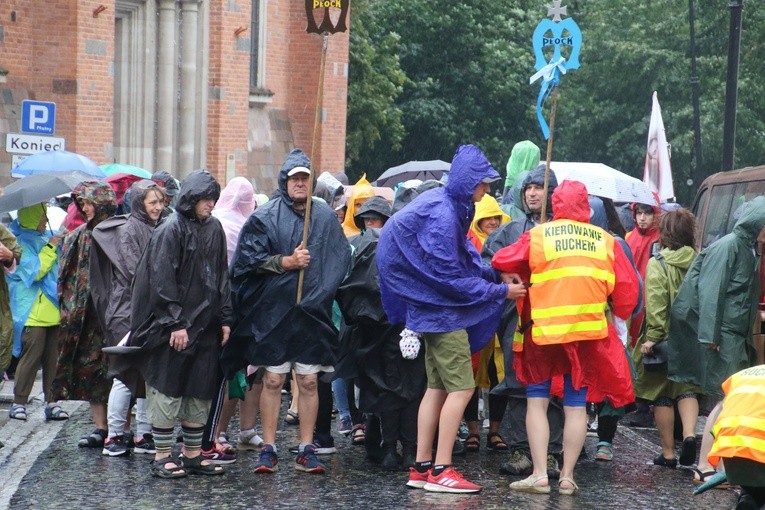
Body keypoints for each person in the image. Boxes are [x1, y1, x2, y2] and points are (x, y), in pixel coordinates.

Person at [377, 144, 526, 494]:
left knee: (436, 388)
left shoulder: (445, 206)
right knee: (461, 388)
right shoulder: (445, 215)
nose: (486, 190)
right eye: (483, 183)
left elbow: (459, 265)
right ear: (467, 181)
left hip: (428, 313)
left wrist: (493, 276)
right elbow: (451, 280)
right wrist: (500, 292)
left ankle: (421, 467)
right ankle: (443, 469)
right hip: (443, 317)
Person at [492, 179, 639, 496]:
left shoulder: (539, 235)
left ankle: (540, 474)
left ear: (555, 204)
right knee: (575, 407)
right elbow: (628, 296)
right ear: (586, 206)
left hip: (542, 337)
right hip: (586, 337)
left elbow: (501, 259)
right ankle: (569, 477)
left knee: (537, 403)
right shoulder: (606, 240)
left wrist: (512, 275)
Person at [223, 149, 351, 475]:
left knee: (308, 381)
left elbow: (339, 262)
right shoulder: (265, 216)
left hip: (311, 315)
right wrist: (286, 263)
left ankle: (307, 447)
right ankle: (269, 447)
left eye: (305, 178)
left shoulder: (323, 218)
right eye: (294, 178)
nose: (299, 183)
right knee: (273, 379)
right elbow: (247, 263)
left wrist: (320, 292)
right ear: (285, 180)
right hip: (273, 314)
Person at [129, 169, 232, 479]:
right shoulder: (170, 229)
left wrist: (225, 317)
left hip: (205, 326)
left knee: (198, 391)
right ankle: (162, 455)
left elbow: (221, 275)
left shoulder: (214, 229)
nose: (211, 205)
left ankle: (192, 454)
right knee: (168, 389)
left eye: (214, 199)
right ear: (192, 198)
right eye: (206, 199)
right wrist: (175, 322)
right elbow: (161, 280)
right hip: (172, 327)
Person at [667, 196, 765, 486]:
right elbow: (711, 292)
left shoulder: (746, 249)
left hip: (733, 337)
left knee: (729, 403)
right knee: (726, 404)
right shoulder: (730, 247)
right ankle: (704, 465)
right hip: (724, 338)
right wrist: (710, 337)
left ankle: (714, 466)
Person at [482, 164, 564, 477]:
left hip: (554, 320)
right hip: (516, 321)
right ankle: (520, 450)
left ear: (552, 193)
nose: (532, 193)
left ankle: (552, 452)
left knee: (553, 387)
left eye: (539, 187)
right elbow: (488, 262)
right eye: (529, 187)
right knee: (518, 384)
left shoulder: (564, 231)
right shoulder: (511, 230)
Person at [336, 196, 426, 471]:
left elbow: (346, 289)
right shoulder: (408, 244)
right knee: (407, 391)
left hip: (379, 330)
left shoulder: (357, 245)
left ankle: (390, 449)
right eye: (367, 220)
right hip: (402, 328)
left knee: (388, 391)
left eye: (374, 220)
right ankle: (404, 450)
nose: (371, 225)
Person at [90, 180, 166, 456]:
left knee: (147, 372)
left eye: (160, 201)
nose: (158, 207)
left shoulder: (155, 226)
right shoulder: (129, 230)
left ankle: (143, 432)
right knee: (124, 373)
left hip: (147, 311)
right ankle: (115, 435)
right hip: (126, 312)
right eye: (152, 202)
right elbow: (136, 271)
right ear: (139, 204)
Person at [631, 208, 700, 468]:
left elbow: (657, 305)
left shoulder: (657, 263)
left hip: (665, 340)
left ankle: (669, 453)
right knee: (687, 388)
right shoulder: (699, 260)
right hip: (692, 337)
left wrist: (653, 338)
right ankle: (691, 435)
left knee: (660, 393)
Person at [51, 180, 117, 448]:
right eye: (83, 203)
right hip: (85, 317)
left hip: (113, 315)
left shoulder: (116, 232)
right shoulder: (79, 236)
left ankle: (121, 428)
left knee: (117, 373)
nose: (86, 208)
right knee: (91, 371)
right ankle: (100, 427)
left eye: (90, 202)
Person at [206, 176, 263, 457]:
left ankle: (206, 435)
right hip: (236, 310)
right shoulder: (243, 227)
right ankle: (216, 435)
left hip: (207, 311)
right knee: (232, 374)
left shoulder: (212, 221)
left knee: (218, 375)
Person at [7, 205, 66, 421]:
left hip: (52, 311)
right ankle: (19, 402)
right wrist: (51, 248)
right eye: (41, 218)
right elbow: (35, 272)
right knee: (30, 359)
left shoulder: (44, 238)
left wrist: (56, 245)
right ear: (31, 219)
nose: (44, 221)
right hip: (31, 311)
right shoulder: (19, 242)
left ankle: (52, 402)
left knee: (53, 361)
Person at [465, 195, 511, 452]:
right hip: (475, 321)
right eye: (486, 218)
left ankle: (495, 429)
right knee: (469, 377)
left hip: (500, 320)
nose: (492, 222)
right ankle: (472, 429)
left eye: (496, 217)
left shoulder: (506, 243)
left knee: (499, 376)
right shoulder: (468, 243)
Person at [707, 366, 765, 510]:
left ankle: (749, 495)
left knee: (754, 481)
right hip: (760, 451)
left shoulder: (743, 374)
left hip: (731, 454)